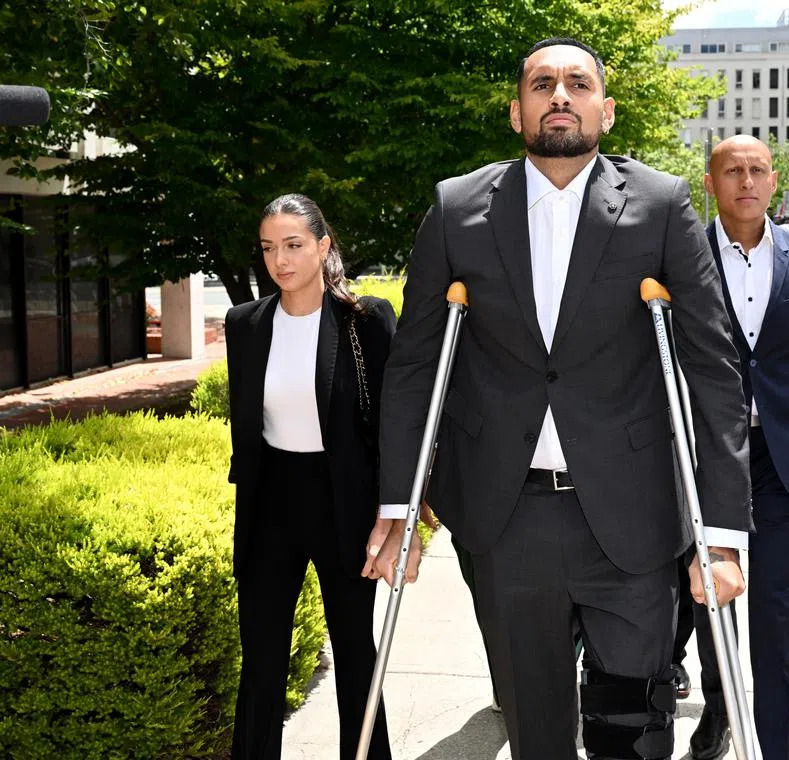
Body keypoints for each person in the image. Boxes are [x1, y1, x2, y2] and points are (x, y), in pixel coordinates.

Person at [367, 37, 753, 760]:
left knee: (632, 731)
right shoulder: (457, 207)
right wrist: (398, 507)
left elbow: (712, 369)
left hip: (634, 512)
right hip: (507, 517)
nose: (560, 96)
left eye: (578, 83)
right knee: (535, 731)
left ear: (606, 110)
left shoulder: (660, 204)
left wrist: (724, 531)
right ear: (517, 113)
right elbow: (415, 365)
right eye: (541, 84)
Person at [225, 194, 397, 759]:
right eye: (269, 248)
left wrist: (395, 515)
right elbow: (247, 424)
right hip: (269, 502)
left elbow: (395, 424)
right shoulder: (245, 324)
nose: (281, 260)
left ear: (323, 246)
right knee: (262, 659)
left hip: (343, 502)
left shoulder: (365, 320)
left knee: (355, 654)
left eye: (294, 245)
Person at [681, 135, 789, 760]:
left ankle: (779, 746)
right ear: (710, 184)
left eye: (757, 171)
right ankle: (720, 710)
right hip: (708, 455)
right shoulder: (683, 255)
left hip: (785, 460)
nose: (746, 181)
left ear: (773, 181)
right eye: (733, 171)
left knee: (778, 612)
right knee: (712, 602)